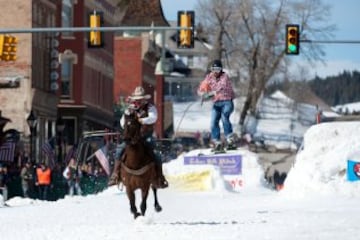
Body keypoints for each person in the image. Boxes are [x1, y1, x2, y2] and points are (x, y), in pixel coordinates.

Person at [108, 86, 168, 188]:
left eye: (140, 99)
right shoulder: (129, 109)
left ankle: (159, 177)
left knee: (156, 153)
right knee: (119, 150)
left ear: (144, 99)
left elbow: (153, 118)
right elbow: (123, 121)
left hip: (146, 136)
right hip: (132, 137)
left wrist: (142, 120)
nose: (138, 101)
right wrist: (129, 125)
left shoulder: (150, 108)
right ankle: (115, 174)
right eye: (137, 99)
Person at [198, 59, 236, 151]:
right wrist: (202, 93)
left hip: (227, 102)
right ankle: (217, 142)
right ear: (211, 69)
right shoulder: (209, 77)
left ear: (221, 70)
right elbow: (202, 87)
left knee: (224, 117)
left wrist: (211, 93)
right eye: (214, 69)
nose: (216, 72)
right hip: (216, 103)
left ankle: (230, 139)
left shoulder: (225, 76)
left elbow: (221, 87)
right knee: (213, 121)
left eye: (218, 69)